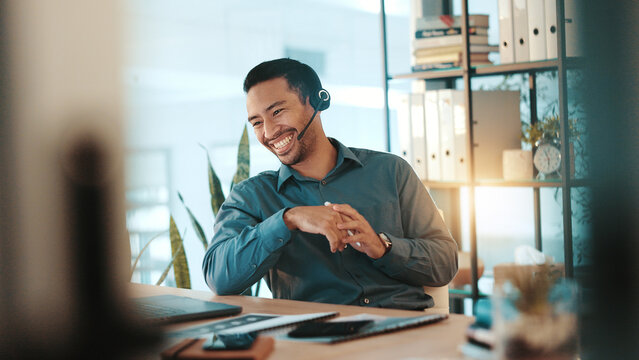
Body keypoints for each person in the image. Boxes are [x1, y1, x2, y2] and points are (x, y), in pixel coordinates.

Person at [202, 58, 457, 310]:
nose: (268, 132)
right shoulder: (252, 196)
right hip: (318, 338)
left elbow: (445, 262)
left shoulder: (391, 171)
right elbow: (218, 276)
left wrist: (382, 247)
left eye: (277, 112)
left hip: (405, 330)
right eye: (257, 122)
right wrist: (288, 219)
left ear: (317, 102)